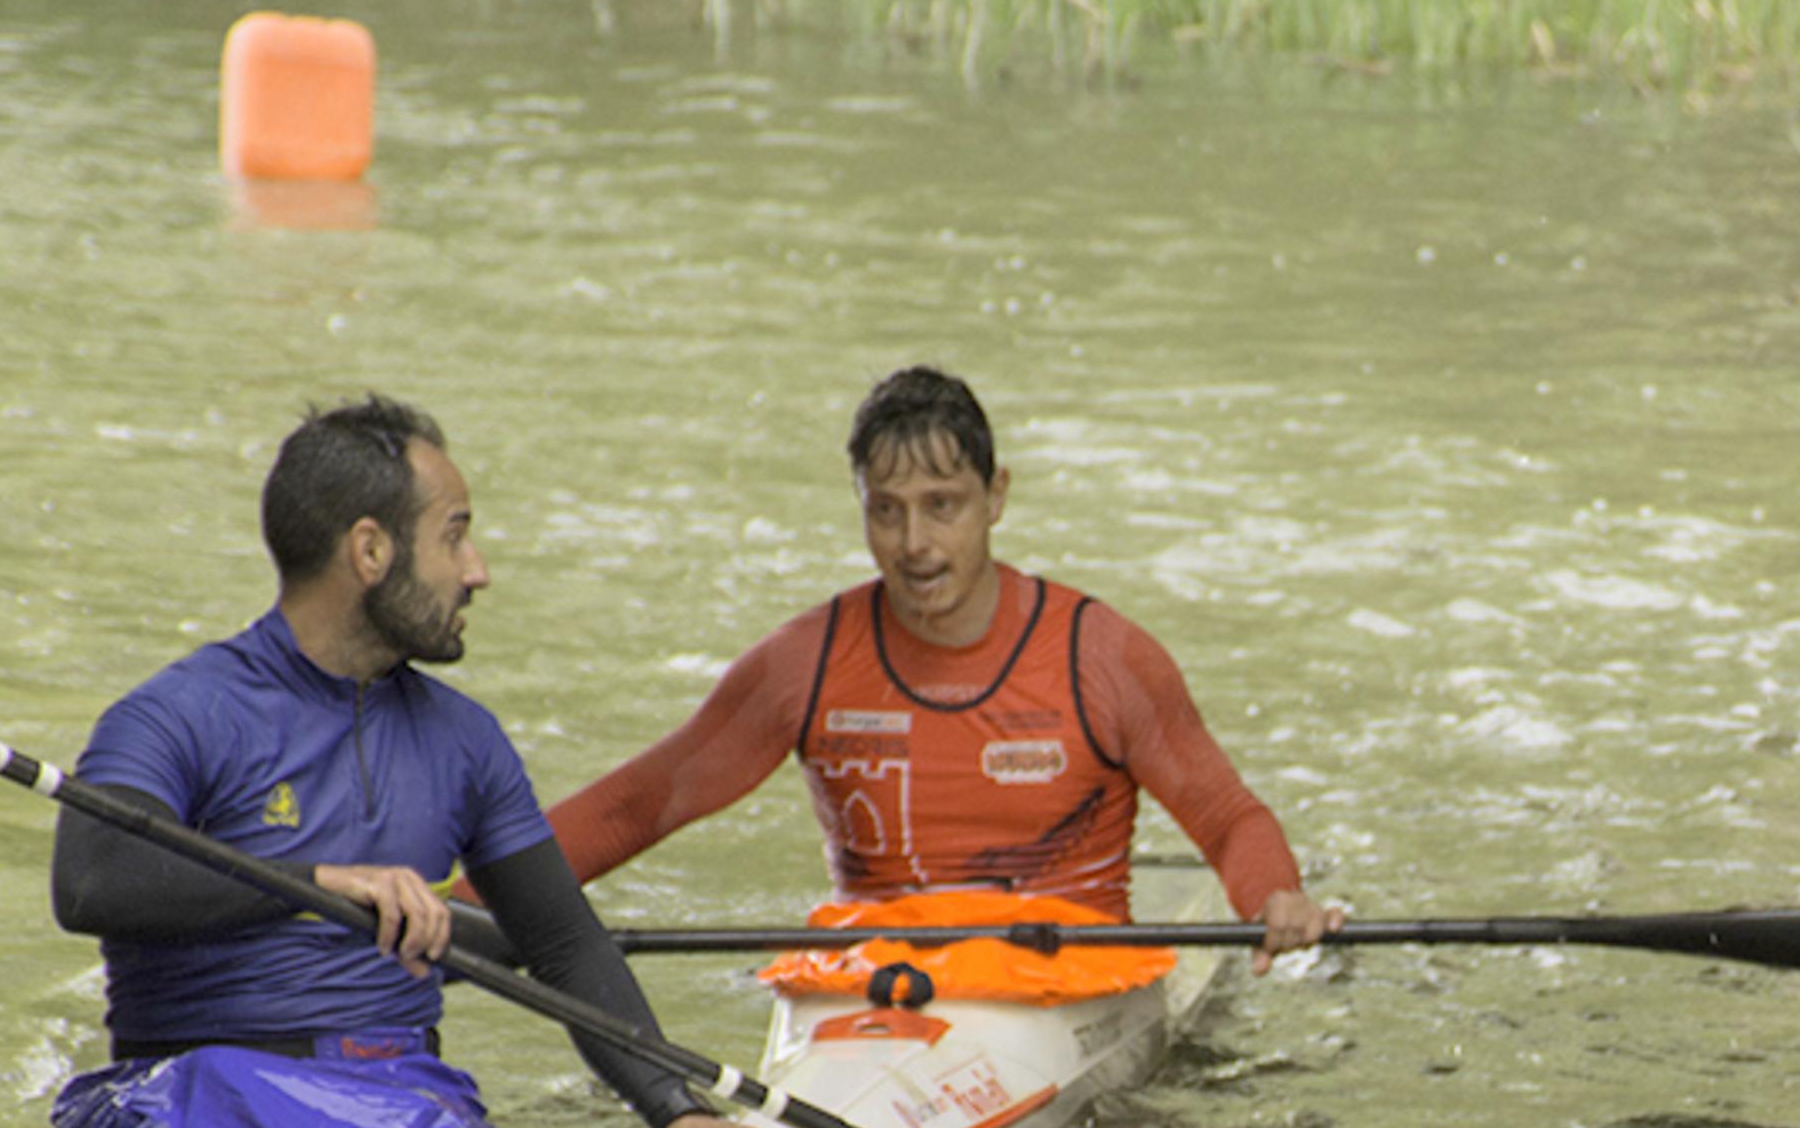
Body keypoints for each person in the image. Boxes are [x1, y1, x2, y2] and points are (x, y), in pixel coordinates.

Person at [48, 394, 802, 1128]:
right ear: (369, 550)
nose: (476, 570)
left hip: (399, 1105)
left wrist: (675, 1113)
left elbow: (563, 943)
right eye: (453, 535)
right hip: (200, 1102)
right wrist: (319, 882)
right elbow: (92, 881)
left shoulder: (464, 740)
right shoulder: (179, 714)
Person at [544, 365, 1337, 963]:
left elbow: (1229, 820)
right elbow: (636, 807)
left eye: (941, 505)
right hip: (878, 987)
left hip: (1063, 983)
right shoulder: (803, 665)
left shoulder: (1104, 658)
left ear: (995, 497)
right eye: (885, 512)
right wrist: (451, 904)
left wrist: (1274, 899)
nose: (914, 544)